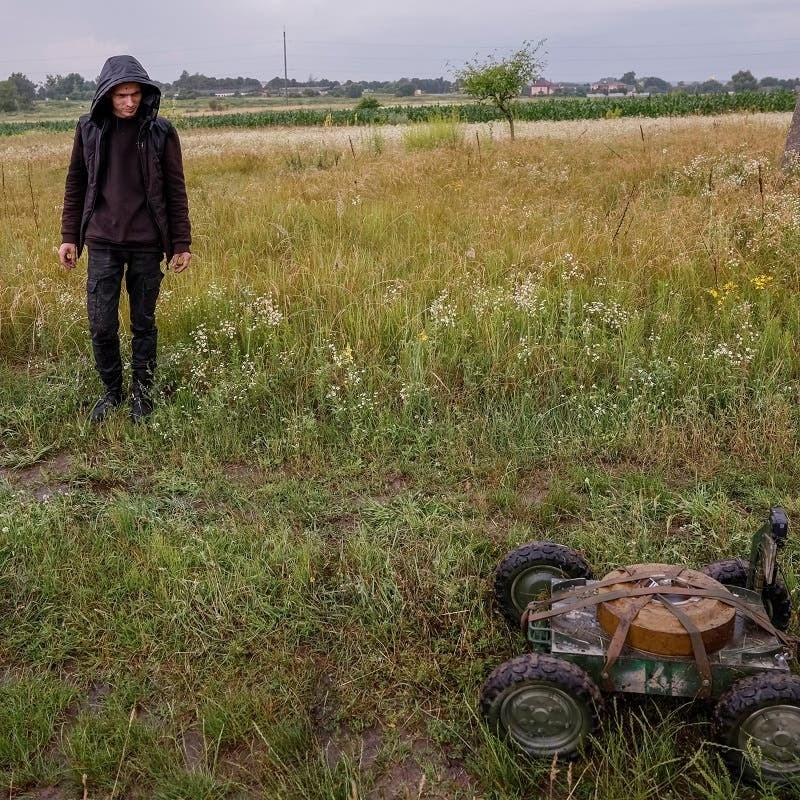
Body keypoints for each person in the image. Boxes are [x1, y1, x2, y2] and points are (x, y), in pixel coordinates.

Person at [59, 54, 192, 423]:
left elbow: (175, 190)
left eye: (135, 94)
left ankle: (142, 394)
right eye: (121, 96)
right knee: (101, 323)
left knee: (143, 323)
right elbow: (76, 183)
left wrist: (181, 243)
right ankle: (112, 392)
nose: (130, 102)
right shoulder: (88, 128)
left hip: (147, 242)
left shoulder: (161, 131)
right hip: (102, 240)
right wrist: (69, 236)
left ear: (144, 94)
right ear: (106, 95)